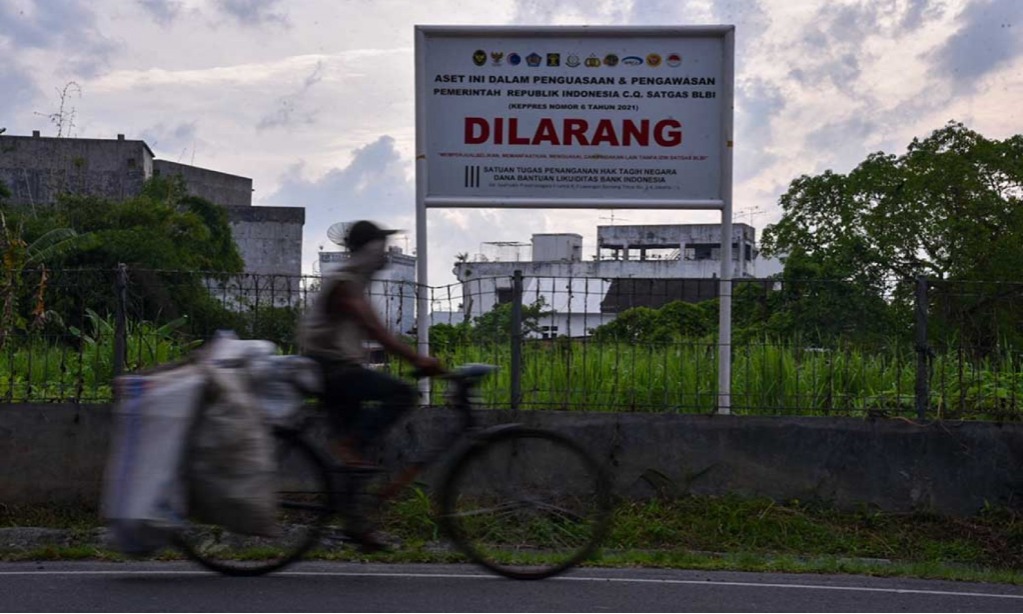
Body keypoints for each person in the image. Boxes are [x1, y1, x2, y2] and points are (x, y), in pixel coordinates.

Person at [297, 220, 444, 550]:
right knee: (401, 394)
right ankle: (349, 450)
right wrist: (417, 360)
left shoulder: (354, 280)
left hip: (336, 366)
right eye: (380, 247)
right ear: (367, 250)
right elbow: (375, 330)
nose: (386, 255)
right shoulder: (345, 281)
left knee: (357, 459)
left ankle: (355, 525)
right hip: (332, 369)